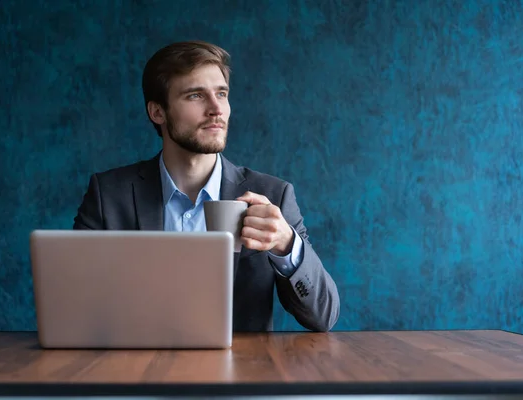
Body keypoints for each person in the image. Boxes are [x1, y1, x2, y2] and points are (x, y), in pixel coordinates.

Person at [73, 40, 340, 332]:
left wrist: (287, 244)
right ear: (157, 112)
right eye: (195, 95)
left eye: (222, 94)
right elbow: (74, 305)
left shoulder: (273, 196)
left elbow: (323, 316)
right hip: (138, 370)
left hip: (238, 372)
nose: (216, 109)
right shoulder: (108, 195)